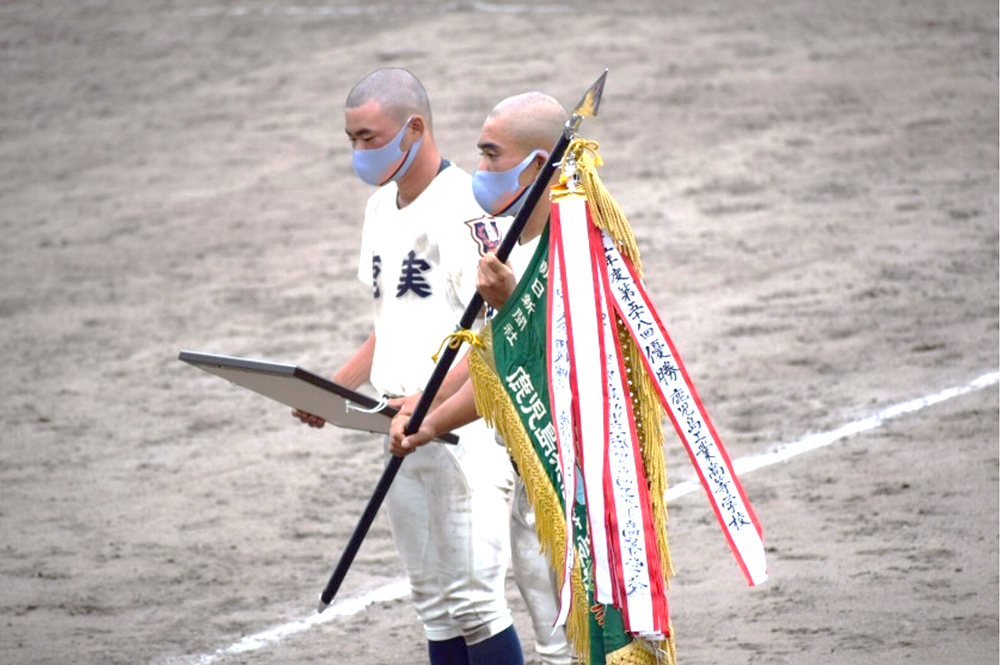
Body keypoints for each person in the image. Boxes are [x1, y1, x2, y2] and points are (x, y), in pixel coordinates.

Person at [293, 68, 523, 665]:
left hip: (464, 429)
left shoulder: (469, 209)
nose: (359, 151)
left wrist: (426, 404)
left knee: (475, 602)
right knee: (436, 605)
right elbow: (393, 318)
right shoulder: (378, 208)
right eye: (351, 139)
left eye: (369, 137)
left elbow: (497, 333)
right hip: (398, 425)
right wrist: (335, 388)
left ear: (414, 128)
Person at [390, 92, 576, 665]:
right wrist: (423, 402)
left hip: (578, 487)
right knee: (555, 646)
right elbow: (491, 356)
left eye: (493, 155)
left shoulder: (575, 245)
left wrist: (431, 424)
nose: (483, 169)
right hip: (535, 480)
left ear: (537, 165)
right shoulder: (511, 246)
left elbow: (543, 359)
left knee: (583, 644)